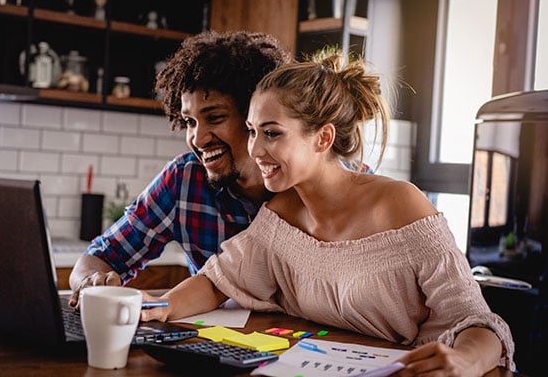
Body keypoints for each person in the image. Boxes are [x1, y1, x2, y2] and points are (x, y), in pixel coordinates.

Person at [140, 48, 515, 376]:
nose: (255, 149)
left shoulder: (401, 204)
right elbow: (217, 282)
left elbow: (478, 323)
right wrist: (158, 307)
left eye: (272, 133)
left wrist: (465, 361)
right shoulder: (282, 212)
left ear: (323, 138)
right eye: (252, 131)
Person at [68, 31, 291, 307]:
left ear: (255, 116)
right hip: (218, 345)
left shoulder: (306, 180)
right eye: (189, 122)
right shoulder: (184, 180)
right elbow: (99, 257)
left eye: (215, 118)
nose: (197, 139)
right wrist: (90, 281)